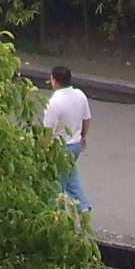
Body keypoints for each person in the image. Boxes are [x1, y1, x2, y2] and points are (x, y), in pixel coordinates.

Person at [41, 65, 92, 215]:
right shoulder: (80, 95)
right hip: (75, 145)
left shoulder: (54, 102)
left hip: (60, 148)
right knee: (70, 176)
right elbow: (87, 119)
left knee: (56, 184)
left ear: (55, 81)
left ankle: (56, 213)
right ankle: (83, 205)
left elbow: (48, 131)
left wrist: (43, 151)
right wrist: (83, 136)